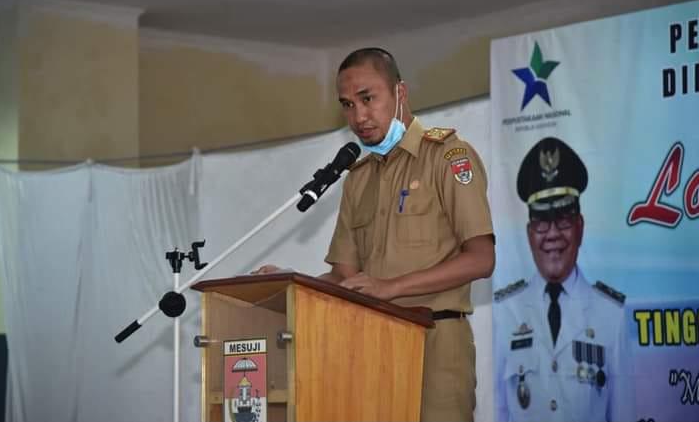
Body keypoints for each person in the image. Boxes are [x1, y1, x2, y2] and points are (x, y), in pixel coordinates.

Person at [256, 47, 495, 421]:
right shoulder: (359, 177)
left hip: (437, 341)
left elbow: (482, 258)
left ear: (400, 93)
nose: (358, 116)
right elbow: (344, 277)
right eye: (347, 105)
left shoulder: (447, 156)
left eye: (367, 99)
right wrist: (289, 289)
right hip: (371, 345)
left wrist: (393, 286)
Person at [492, 137, 634, 422]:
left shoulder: (612, 315)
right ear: (530, 232)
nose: (553, 234)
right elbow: (499, 411)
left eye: (564, 219)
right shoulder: (504, 312)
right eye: (542, 221)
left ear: (580, 228)